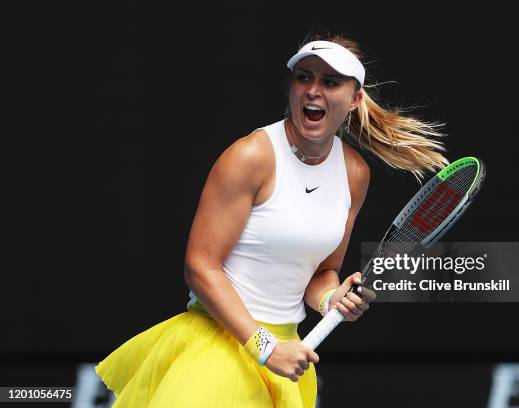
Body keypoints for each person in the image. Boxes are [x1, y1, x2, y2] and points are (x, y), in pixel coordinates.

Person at [95, 33, 448, 407]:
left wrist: (332, 298)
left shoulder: (354, 173)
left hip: (284, 359)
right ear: (292, 86)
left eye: (330, 82)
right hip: (218, 349)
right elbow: (200, 267)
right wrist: (264, 347)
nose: (313, 90)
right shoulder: (250, 156)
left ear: (355, 98)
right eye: (304, 77)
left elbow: (322, 271)